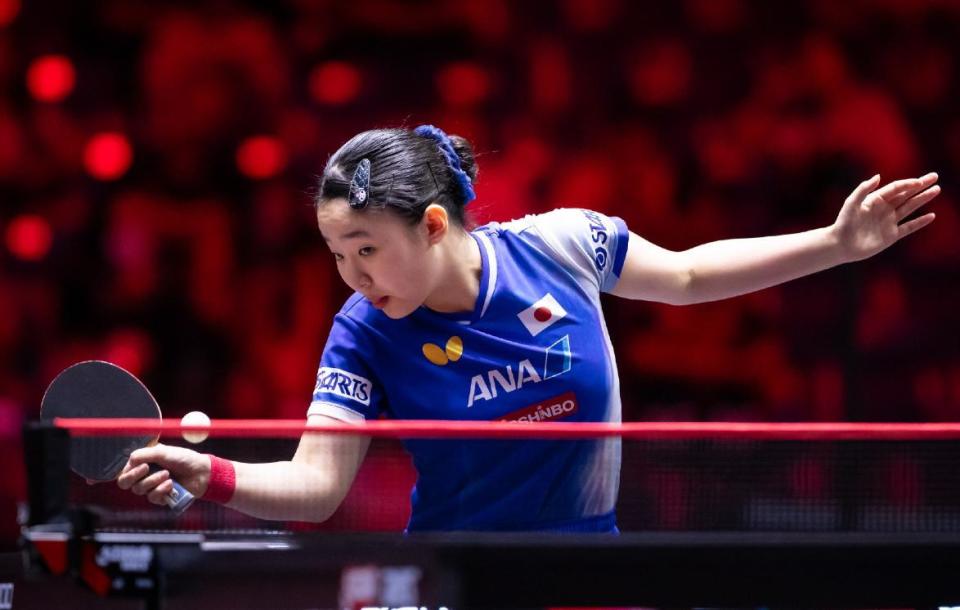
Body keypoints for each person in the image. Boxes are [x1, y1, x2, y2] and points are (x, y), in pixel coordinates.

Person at [118, 125, 941, 532]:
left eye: (366, 250)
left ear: (432, 226)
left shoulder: (561, 246)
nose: (353, 277)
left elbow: (689, 277)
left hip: (585, 566)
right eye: (337, 255)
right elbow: (318, 485)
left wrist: (836, 245)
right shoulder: (362, 333)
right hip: (456, 577)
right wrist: (209, 474)